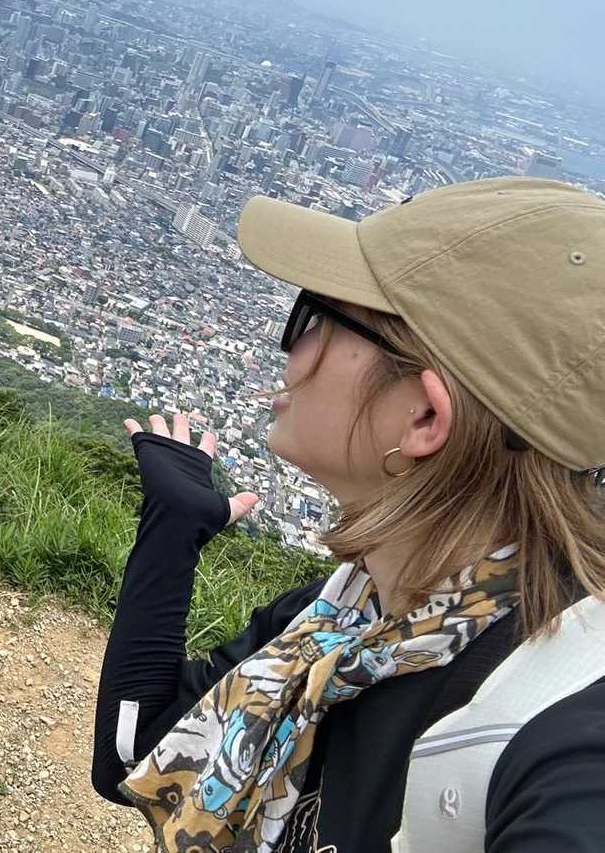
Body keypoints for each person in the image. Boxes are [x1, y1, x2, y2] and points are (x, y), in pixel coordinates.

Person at [91, 177, 605, 852]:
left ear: (423, 418)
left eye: (317, 318)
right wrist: (172, 531)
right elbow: (138, 753)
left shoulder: (559, 735)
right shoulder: (347, 616)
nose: (291, 349)